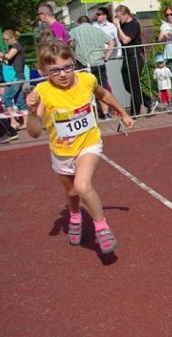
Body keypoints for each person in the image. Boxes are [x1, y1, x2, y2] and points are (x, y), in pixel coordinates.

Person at [25, 39, 133, 254]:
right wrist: (31, 111)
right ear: (44, 70)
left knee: (83, 185)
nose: (63, 74)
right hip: (61, 150)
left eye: (67, 67)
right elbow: (34, 132)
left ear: (74, 63)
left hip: (89, 143)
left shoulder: (87, 79)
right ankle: (75, 217)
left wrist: (123, 113)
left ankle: (101, 228)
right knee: (73, 192)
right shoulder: (42, 92)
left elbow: (104, 94)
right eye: (55, 71)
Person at [69, 15, 116, 118]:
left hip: (83, 63)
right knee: (102, 89)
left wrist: (74, 56)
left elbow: (68, 44)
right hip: (99, 62)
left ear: (78, 23)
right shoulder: (97, 30)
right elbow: (112, 42)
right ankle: (105, 113)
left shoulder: (74, 31)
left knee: (84, 89)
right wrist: (106, 56)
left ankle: (87, 114)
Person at [113, 4, 150, 117]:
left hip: (135, 57)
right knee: (127, 85)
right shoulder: (124, 25)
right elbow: (120, 39)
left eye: (120, 16)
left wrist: (118, 27)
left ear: (126, 15)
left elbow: (125, 40)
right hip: (127, 57)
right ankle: (148, 101)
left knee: (134, 85)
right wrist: (119, 27)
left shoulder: (134, 24)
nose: (119, 19)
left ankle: (135, 113)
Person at [0, 29, 27, 128]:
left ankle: (13, 121)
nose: (5, 42)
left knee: (6, 98)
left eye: (7, 40)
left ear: (12, 38)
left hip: (16, 77)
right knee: (19, 101)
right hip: (16, 77)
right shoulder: (13, 47)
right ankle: (25, 122)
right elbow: (8, 60)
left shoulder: (17, 46)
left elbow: (8, 56)